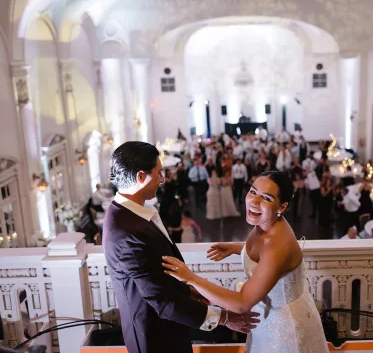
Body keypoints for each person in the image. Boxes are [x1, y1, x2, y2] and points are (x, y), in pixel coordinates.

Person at [102, 142, 259, 353]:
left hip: (169, 327)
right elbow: (163, 301)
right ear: (141, 177)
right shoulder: (128, 233)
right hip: (154, 338)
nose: (162, 179)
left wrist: (194, 292)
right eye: (158, 173)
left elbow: (160, 273)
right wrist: (225, 317)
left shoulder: (130, 212)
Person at [163, 171, 329, 353]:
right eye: (252, 192)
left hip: (284, 327)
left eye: (266, 198)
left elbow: (242, 303)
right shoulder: (268, 223)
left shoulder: (278, 246)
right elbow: (264, 254)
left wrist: (191, 279)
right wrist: (238, 248)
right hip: (266, 316)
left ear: (282, 207)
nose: (254, 201)